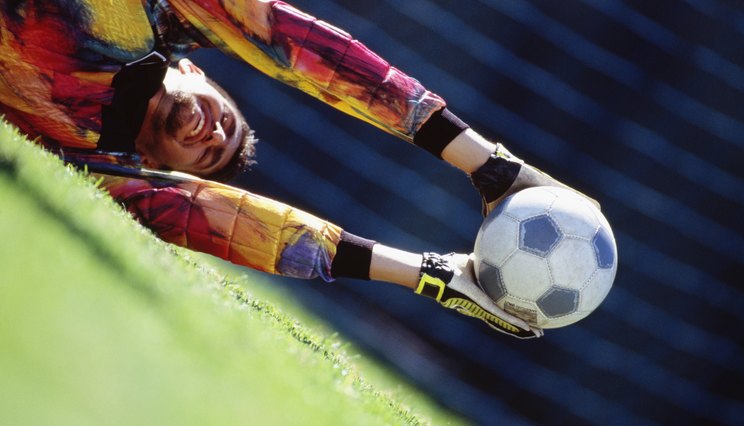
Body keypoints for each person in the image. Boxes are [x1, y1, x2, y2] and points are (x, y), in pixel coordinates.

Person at [0, 0, 597, 338]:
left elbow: (225, 221)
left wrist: (427, 274)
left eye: (207, 156)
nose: (211, 133)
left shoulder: (88, 155)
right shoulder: (170, 14)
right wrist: (487, 165)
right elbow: (297, 46)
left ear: (160, 167)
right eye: (225, 124)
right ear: (200, 73)